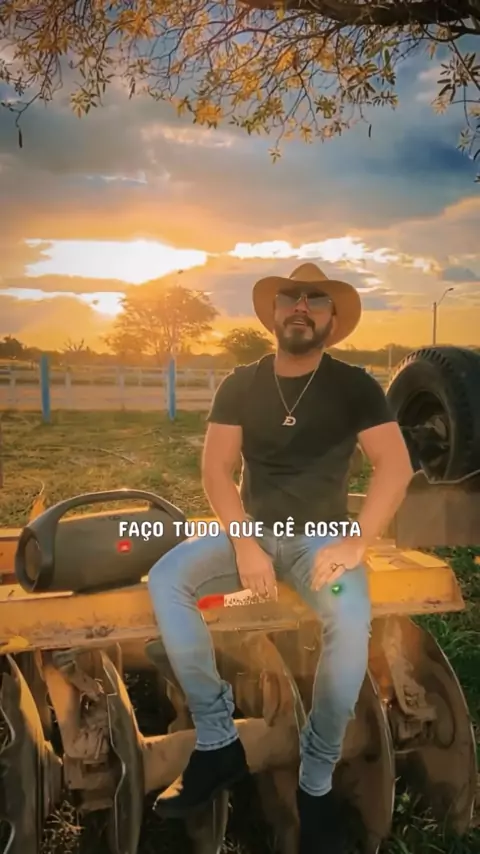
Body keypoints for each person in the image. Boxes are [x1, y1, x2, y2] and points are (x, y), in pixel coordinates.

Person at [148, 262, 413, 853]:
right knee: (168, 577)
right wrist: (244, 543)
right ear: (273, 313)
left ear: (332, 319)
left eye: (315, 300)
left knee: (350, 618)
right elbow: (216, 470)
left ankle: (315, 783)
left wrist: (356, 542)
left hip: (324, 539)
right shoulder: (241, 383)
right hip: (255, 533)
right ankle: (217, 741)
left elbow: (395, 467)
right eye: (290, 297)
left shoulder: (354, 386)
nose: (300, 307)